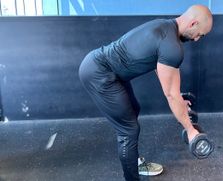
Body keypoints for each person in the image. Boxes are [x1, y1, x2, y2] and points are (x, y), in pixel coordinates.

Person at [79, 4, 213, 181]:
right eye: (200, 34)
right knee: (128, 130)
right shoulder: (172, 46)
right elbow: (170, 94)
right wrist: (190, 130)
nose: (197, 39)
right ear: (193, 23)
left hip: (106, 70)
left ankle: (134, 162)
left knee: (133, 109)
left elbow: (165, 76)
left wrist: (178, 98)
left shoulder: (165, 27)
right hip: (99, 73)